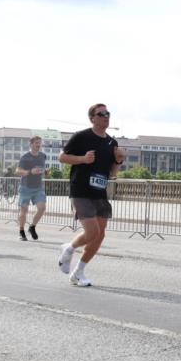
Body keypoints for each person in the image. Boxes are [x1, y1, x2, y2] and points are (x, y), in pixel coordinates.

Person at [57, 104, 123, 286]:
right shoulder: (82, 137)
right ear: (92, 118)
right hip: (80, 190)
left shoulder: (112, 143)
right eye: (101, 113)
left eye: (108, 113)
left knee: (100, 235)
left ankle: (78, 272)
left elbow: (112, 173)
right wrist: (82, 159)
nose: (106, 116)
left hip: (99, 192)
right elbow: (61, 157)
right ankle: (69, 248)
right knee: (92, 232)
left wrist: (119, 160)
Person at [16, 135, 48, 241]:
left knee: (42, 208)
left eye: (40, 143)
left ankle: (32, 227)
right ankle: (21, 231)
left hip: (38, 187)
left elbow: (41, 168)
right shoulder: (25, 157)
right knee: (24, 210)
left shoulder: (43, 156)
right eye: (36, 143)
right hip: (26, 187)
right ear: (31, 144)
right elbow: (18, 171)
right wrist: (30, 172)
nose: (39, 145)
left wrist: (45, 171)